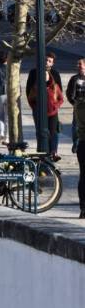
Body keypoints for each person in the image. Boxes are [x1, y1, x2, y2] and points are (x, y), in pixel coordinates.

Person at [27, 65, 64, 161]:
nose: (45, 77)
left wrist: (56, 106)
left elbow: (61, 99)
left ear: (49, 76)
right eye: (43, 75)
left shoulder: (54, 86)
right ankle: (44, 153)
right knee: (42, 133)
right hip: (40, 114)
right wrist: (35, 109)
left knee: (53, 133)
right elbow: (30, 99)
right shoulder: (36, 87)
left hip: (52, 113)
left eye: (46, 75)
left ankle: (53, 152)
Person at [66, 58, 85, 152]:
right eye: (77, 64)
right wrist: (74, 103)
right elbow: (69, 92)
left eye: (80, 64)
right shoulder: (74, 78)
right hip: (78, 106)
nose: (78, 66)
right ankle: (76, 144)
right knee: (76, 126)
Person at [72, 88, 85, 218]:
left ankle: (83, 208)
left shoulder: (79, 104)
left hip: (82, 143)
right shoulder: (82, 105)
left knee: (83, 177)